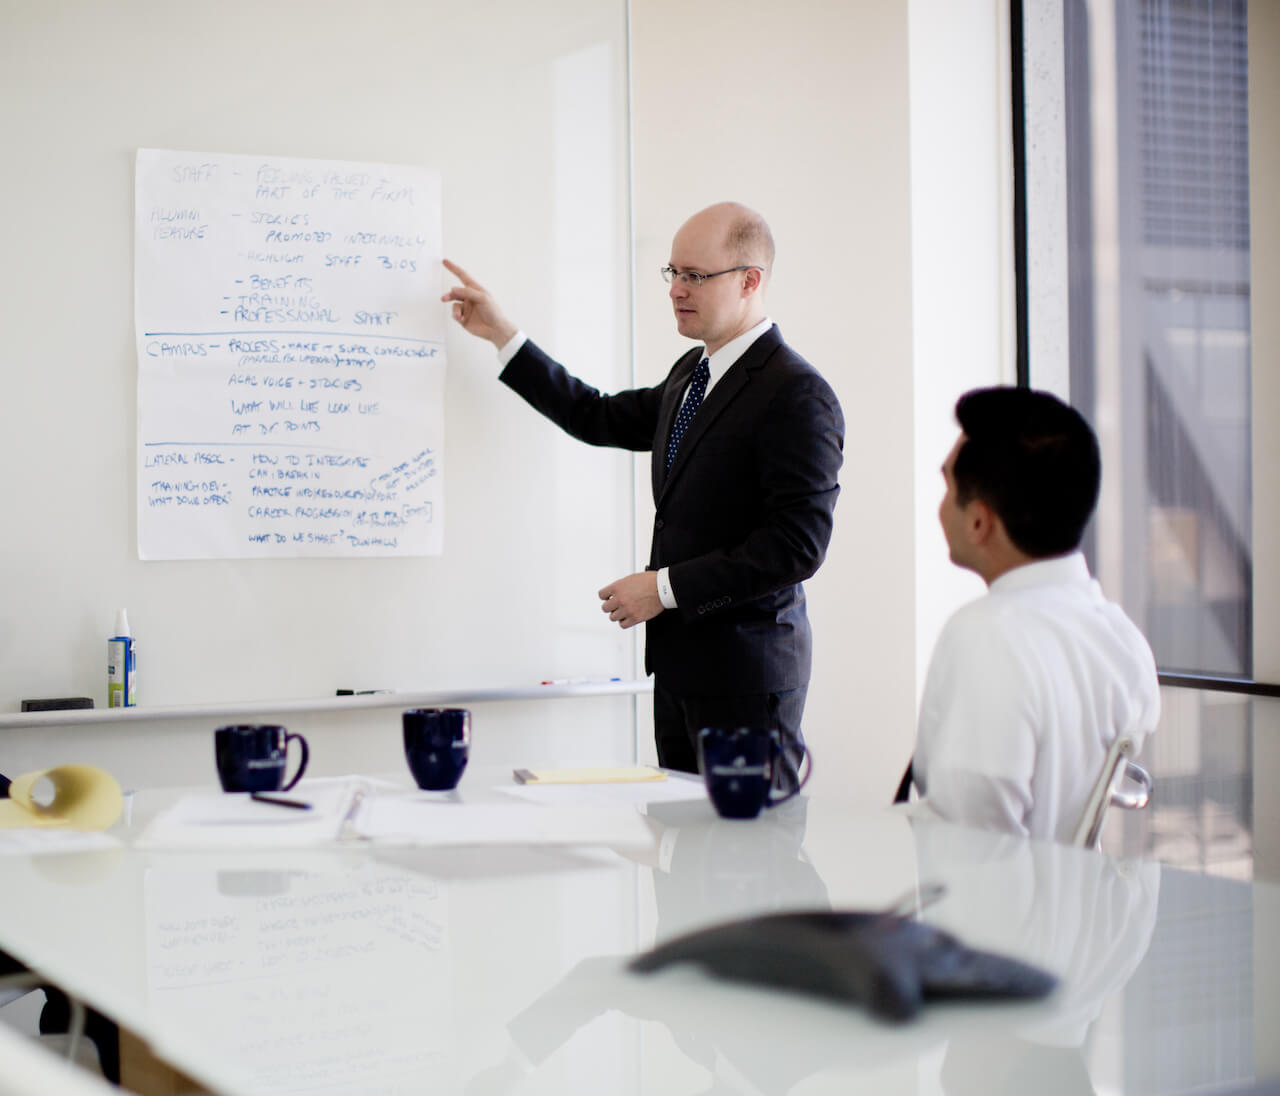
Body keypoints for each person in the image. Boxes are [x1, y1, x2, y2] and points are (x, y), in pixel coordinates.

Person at [441, 202, 845, 779]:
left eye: (696, 276)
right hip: (679, 673)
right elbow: (596, 415)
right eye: (673, 273)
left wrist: (664, 588)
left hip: (746, 683)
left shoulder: (796, 393)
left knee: (753, 862)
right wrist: (504, 336)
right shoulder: (691, 373)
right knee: (681, 858)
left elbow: (797, 546)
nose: (677, 289)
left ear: (750, 280)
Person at [910, 386, 1160, 843]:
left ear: (980, 522)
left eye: (947, 486)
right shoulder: (1123, 638)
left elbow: (972, 847)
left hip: (993, 913)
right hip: (1077, 908)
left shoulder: (985, 636)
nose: (940, 506)